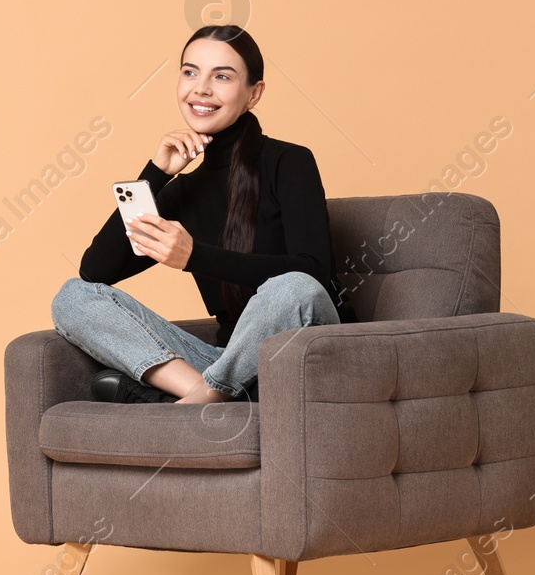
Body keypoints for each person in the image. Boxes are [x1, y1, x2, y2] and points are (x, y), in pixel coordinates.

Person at [50, 24, 354, 404]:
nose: (201, 89)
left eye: (222, 76)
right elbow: (96, 271)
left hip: (299, 353)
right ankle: (209, 395)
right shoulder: (184, 190)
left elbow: (313, 272)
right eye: (190, 72)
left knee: (293, 287)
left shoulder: (289, 161)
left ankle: (197, 399)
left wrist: (196, 257)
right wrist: (155, 174)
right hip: (227, 363)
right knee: (72, 297)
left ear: (254, 93)